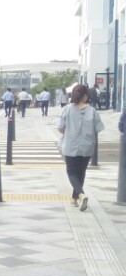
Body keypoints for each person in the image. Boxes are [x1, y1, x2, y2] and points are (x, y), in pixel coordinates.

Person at [57, 83, 104, 211]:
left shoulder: (67, 109)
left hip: (70, 145)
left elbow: (60, 127)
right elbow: (99, 128)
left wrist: (68, 132)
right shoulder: (92, 111)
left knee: (71, 172)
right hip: (87, 146)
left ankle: (81, 194)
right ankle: (74, 198)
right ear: (85, 96)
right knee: (81, 172)